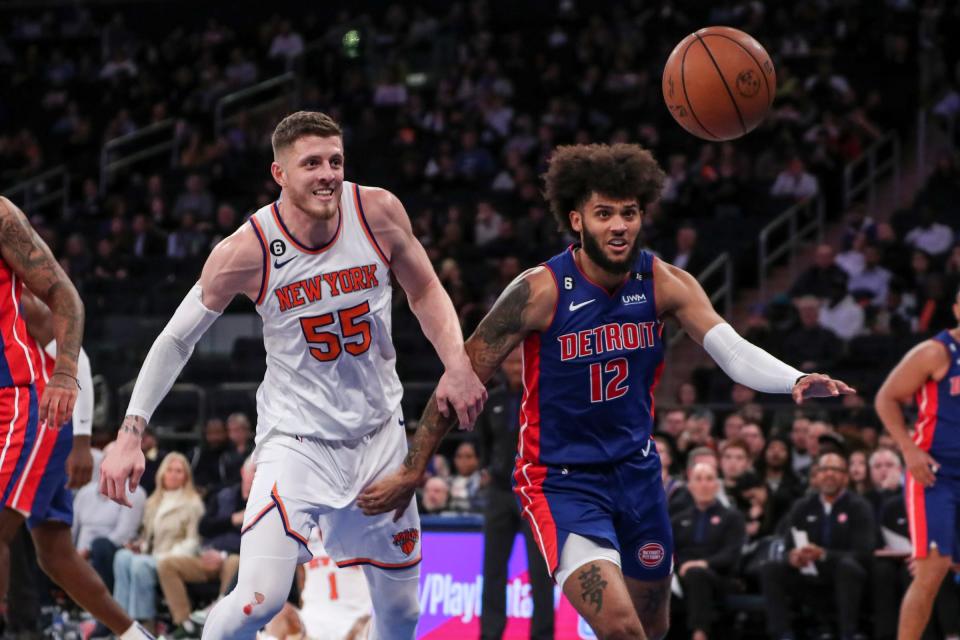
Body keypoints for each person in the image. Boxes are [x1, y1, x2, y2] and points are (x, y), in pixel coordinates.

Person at [358, 143, 853, 640]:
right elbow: (459, 382)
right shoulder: (541, 290)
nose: (619, 225)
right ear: (577, 219)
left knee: (652, 626)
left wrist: (793, 379)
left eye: (629, 213)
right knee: (622, 629)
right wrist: (412, 469)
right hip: (561, 481)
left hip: (637, 475)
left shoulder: (663, 281)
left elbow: (730, 349)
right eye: (604, 214)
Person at [98, 111, 486, 640]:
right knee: (260, 598)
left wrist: (457, 363)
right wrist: (129, 433)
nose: (327, 173)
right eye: (311, 163)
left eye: (335, 160)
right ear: (279, 173)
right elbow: (176, 338)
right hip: (296, 442)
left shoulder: (377, 211)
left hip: (377, 437)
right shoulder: (249, 247)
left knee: (402, 614)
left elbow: (423, 290)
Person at [0, 196, 151, 639]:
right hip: (34, 415)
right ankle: (135, 635)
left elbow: (75, 349)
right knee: (53, 552)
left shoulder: (25, 298)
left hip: (32, 407)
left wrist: (82, 439)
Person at [874, 291, 960, 640]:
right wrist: (908, 450)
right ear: (956, 309)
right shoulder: (935, 352)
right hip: (934, 474)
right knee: (931, 572)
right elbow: (886, 398)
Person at [477, 346, 554, 640]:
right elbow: (483, 439)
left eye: (517, 362)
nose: (512, 368)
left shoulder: (541, 398)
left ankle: (543, 635)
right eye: (508, 362)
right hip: (499, 491)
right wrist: (487, 466)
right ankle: (490, 634)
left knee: (540, 572)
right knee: (493, 568)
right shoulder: (492, 400)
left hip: (534, 492)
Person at [760, 452, 875, 640]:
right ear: (816, 476)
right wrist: (793, 556)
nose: (829, 474)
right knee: (770, 569)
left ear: (845, 477)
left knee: (848, 567)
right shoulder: (802, 506)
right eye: (824, 470)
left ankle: (848, 633)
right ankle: (783, 634)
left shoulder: (859, 506)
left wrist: (823, 554)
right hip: (808, 574)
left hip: (844, 575)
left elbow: (864, 553)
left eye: (835, 469)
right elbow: (788, 545)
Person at [112, 452, 204, 633]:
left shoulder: (193, 503)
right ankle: (120, 620)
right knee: (121, 557)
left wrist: (162, 557)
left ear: (186, 476)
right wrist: (140, 546)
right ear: (162, 473)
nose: (173, 474)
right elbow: (148, 536)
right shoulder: (153, 501)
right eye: (169, 470)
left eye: (179, 471)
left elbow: (193, 542)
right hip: (151, 555)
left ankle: (145, 623)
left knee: (139, 564)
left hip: (173, 558)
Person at [671, 462, 745, 640]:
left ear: (717, 485)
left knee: (697, 574)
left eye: (709, 479)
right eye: (698, 479)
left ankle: (700, 634)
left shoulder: (732, 517)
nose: (704, 484)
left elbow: (732, 553)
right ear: (690, 486)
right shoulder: (678, 519)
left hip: (720, 576)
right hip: (681, 577)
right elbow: (670, 553)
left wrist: (704, 563)